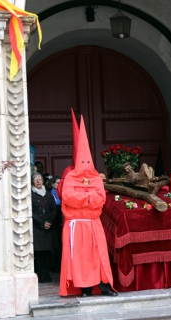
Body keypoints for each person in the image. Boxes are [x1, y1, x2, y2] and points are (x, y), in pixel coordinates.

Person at [59, 115, 117, 297]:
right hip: (76, 225)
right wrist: (88, 198)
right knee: (80, 259)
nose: (84, 165)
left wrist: (83, 198)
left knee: (99, 257)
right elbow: (67, 196)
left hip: (93, 224)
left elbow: (100, 199)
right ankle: (85, 289)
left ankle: (104, 287)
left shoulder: (96, 178)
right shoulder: (69, 177)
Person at [31, 172, 57, 283]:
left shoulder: (48, 194)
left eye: (40, 179)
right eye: (36, 179)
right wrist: (41, 222)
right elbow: (30, 211)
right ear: (32, 182)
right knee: (38, 253)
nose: (38, 181)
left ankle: (46, 273)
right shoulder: (30, 195)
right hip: (37, 228)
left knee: (47, 252)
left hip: (48, 228)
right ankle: (40, 274)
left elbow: (54, 209)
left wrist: (49, 221)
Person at [50, 176, 63, 274]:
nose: (59, 185)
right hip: (54, 223)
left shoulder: (65, 193)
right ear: (52, 184)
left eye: (60, 183)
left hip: (64, 222)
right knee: (56, 245)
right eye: (57, 183)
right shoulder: (51, 195)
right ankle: (55, 266)